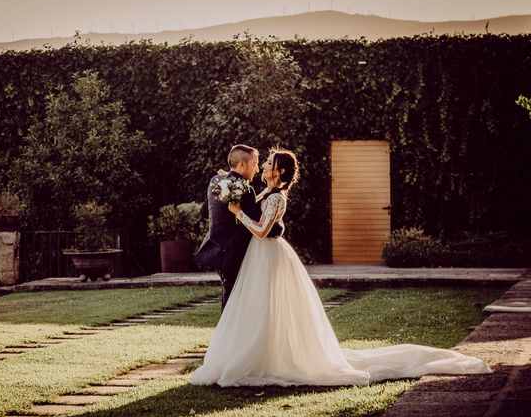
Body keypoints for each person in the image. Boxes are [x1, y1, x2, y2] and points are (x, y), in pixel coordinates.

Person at [190, 148, 490, 387]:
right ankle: (260, 354)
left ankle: (270, 358)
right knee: (259, 308)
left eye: (268, 163)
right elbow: (251, 201)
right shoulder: (265, 192)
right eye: (262, 162)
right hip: (260, 257)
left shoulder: (277, 197)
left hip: (269, 253)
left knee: (272, 308)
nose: (263, 166)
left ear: (279, 171)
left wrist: (238, 212)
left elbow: (262, 230)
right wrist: (231, 187)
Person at [196, 144, 281, 312]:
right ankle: (227, 336)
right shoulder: (246, 190)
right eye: (255, 163)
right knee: (233, 300)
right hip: (234, 254)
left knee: (230, 294)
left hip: (215, 250)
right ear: (242, 164)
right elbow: (259, 224)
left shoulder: (215, 181)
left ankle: (228, 335)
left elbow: (205, 212)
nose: (257, 169)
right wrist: (278, 227)